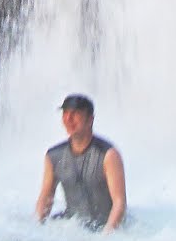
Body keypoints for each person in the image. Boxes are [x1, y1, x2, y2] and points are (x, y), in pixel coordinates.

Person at [35, 93, 126, 232]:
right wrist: (37, 227)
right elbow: (46, 197)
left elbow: (119, 203)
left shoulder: (109, 155)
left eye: (75, 114)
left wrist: (107, 236)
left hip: (104, 226)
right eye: (65, 114)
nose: (68, 119)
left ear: (90, 119)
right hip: (73, 227)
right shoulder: (53, 155)